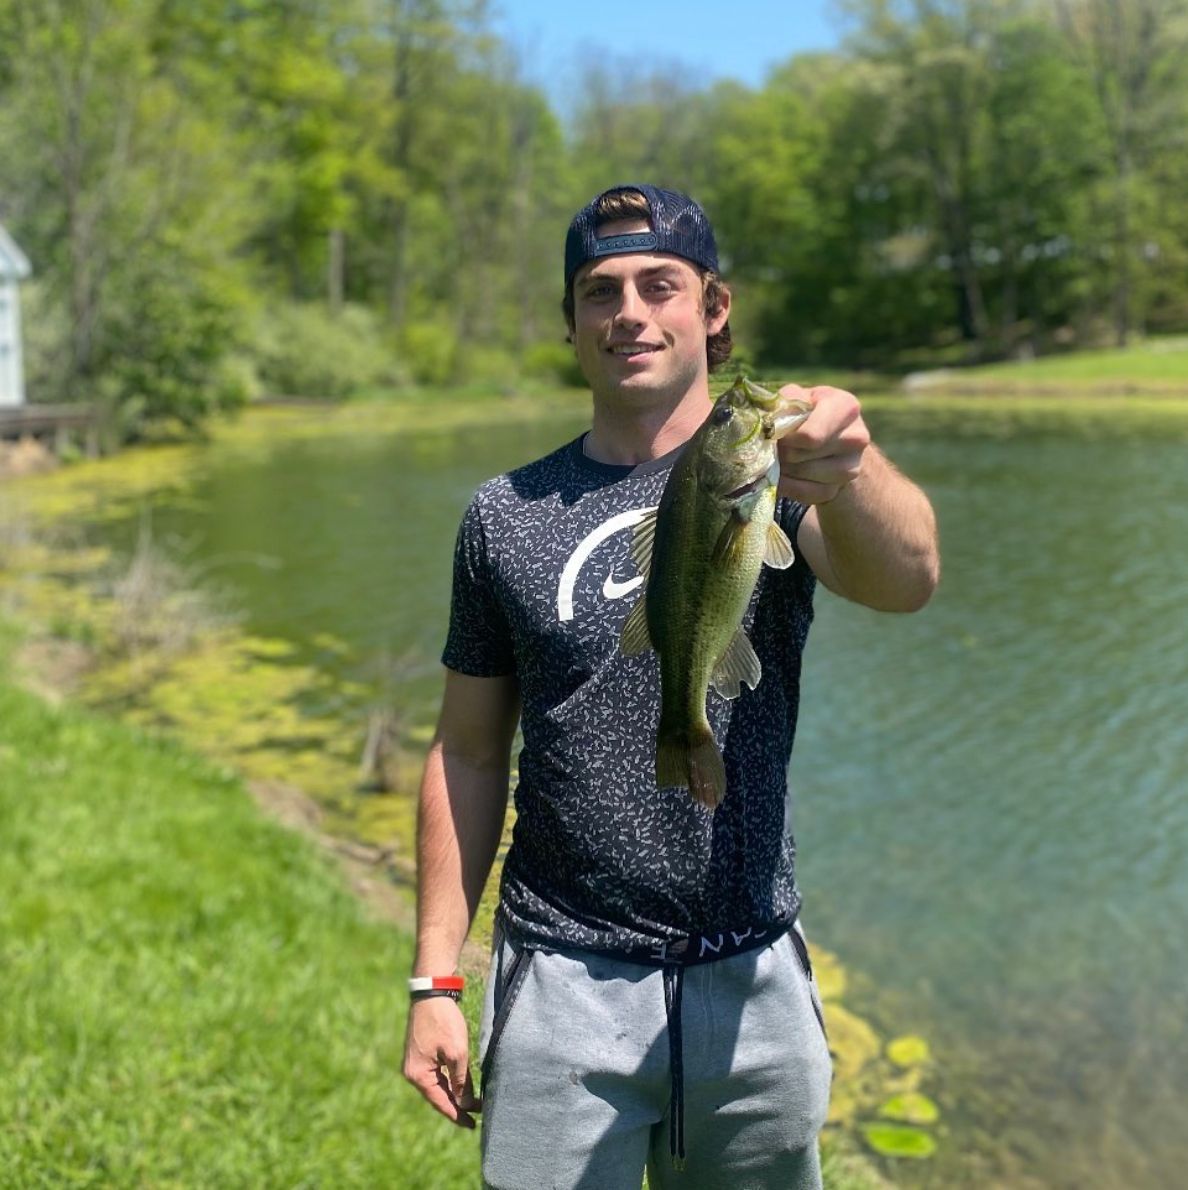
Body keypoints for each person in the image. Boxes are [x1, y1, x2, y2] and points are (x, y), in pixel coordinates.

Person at [402, 184, 940, 1189]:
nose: (630, 313)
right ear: (571, 323)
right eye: (600, 291)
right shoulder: (502, 514)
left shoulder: (780, 474)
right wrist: (437, 974)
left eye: (661, 284)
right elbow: (467, 750)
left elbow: (910, 579)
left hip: (752, 974)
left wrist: (852, 470)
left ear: (713, 308)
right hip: (561, 976)